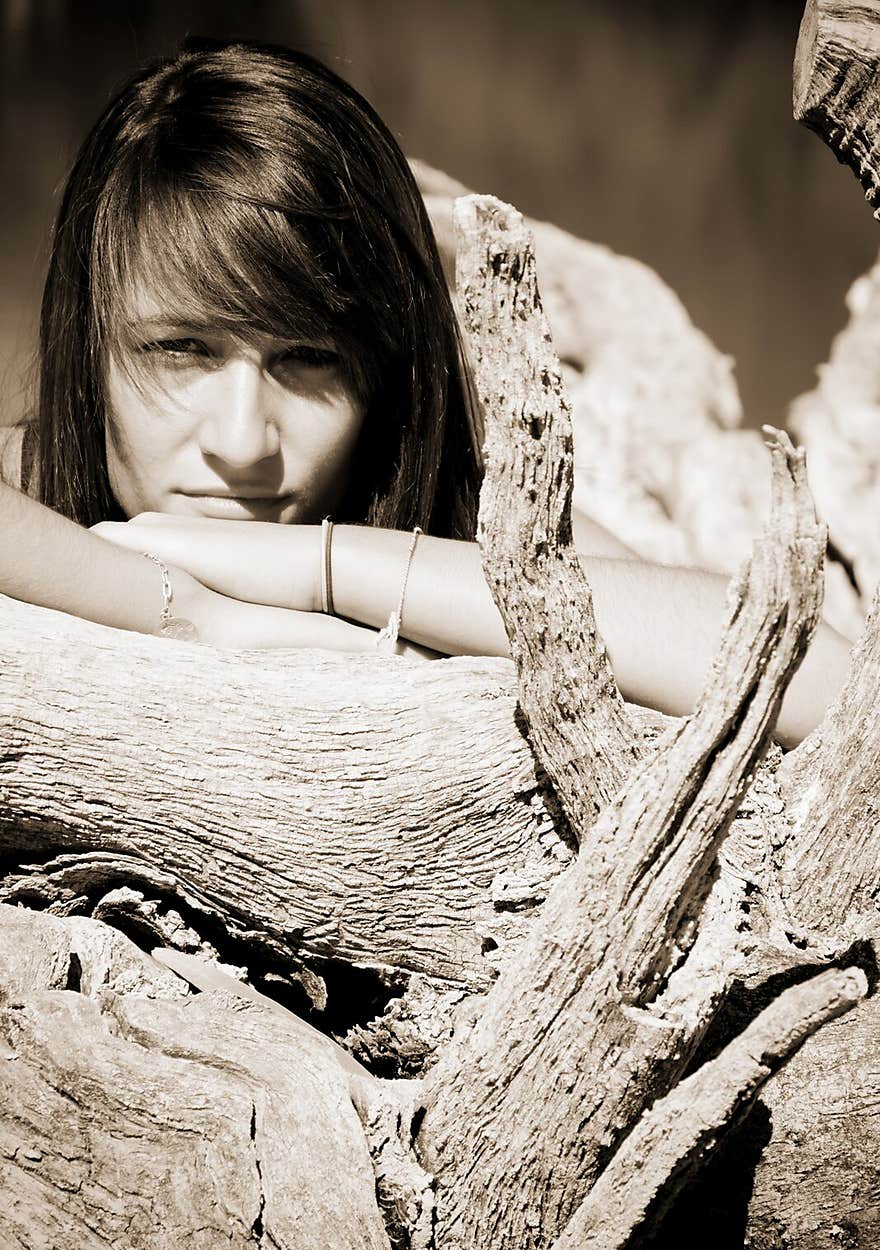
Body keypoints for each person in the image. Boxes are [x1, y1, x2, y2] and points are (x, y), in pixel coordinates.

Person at [0, 37, 850, 746]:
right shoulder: (34, 483)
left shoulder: (453, 518)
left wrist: (323, 566)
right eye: (181, 349)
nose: (243, 441)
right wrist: (183, 609)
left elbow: (820, 682)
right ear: (91, 345)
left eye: (309, 359)